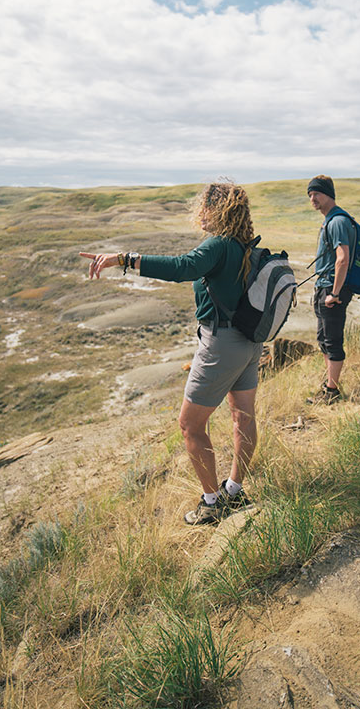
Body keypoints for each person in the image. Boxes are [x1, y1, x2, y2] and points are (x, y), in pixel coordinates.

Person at [80, 181, 261, 525]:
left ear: (218, 210)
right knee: (243, 418)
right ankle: (234, 491)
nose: (201, 213)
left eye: (205, 207)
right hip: (250, 343)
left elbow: (182, 268)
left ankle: (212, 504)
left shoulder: (220, 245)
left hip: (222, 343)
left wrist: (125, 259)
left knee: (190, 425)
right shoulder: (243, 245)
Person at [307, 175, 353, 404]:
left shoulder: (337, 222)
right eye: (310, 195)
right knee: (324, 339)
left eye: (317, 193)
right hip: (324, 288)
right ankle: (328, 385)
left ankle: (332, 392)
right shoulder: (330, 220)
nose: (313, 198)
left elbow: (342, 259)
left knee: (333, 341)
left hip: (332, 290)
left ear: (329, 194)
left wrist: (334, 293)